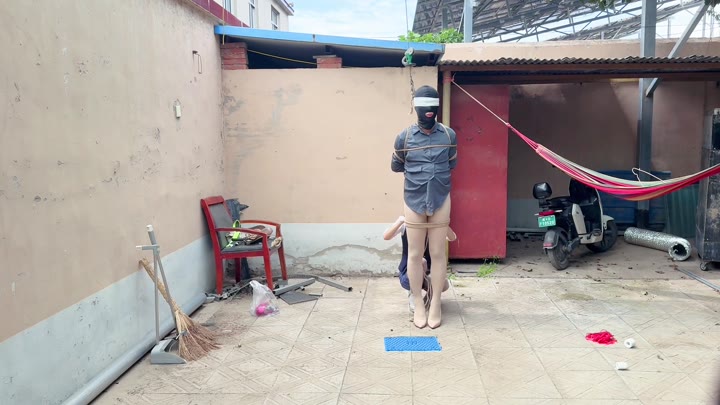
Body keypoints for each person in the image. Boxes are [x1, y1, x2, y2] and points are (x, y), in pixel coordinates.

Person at [391, 85, 458, 329]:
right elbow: (396, 165)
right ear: (415, 108)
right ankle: (419, 303)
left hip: (440, 198)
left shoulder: (449, 136)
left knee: (439, 253)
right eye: (424, 107)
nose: (428, 111)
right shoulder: (404, 137)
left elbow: (451, 163)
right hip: (413, 199)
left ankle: (436, 302)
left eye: (433, 106)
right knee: (415, 254)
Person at [383, 215, 455, 314]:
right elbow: (386, 236)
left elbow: (452, 237)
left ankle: (429, 299)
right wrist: (400, 221)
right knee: (421, 261)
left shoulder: (434, 226)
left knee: (444, 284)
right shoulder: (407, 224)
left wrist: (442, 223)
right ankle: (414, 295)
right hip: (408, 275)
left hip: (427, 275)